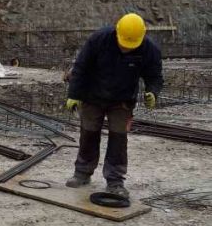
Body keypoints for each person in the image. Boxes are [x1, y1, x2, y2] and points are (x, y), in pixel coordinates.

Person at [65, 13, 162, 198]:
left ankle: (115, 181)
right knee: (89, 133)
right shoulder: (99, 40)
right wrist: (74, 95)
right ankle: (82, 173)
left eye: (130, 45)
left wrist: (153, 91)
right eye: (123, 43)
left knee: (118, 139)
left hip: (122, 101)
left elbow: (155, 75)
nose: (126, 48)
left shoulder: (149, 49)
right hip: (92, 96)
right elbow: (81, 67)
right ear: (117, 31)